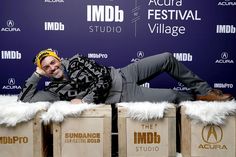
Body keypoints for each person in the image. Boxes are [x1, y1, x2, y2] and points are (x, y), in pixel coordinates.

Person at [18, 49, 234, 104]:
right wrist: (36, 75)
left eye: (52, 62)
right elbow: (24, 99)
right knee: (171, 95)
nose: (52, 68)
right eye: (46, 67)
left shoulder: (76, 61)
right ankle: (197, 100)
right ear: (43, 71)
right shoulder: (54, 91)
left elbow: (103, 78)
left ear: (59, 58)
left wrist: (84, 100)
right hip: (123, 94)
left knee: (167, 57)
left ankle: (206, 92)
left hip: (122, 73)